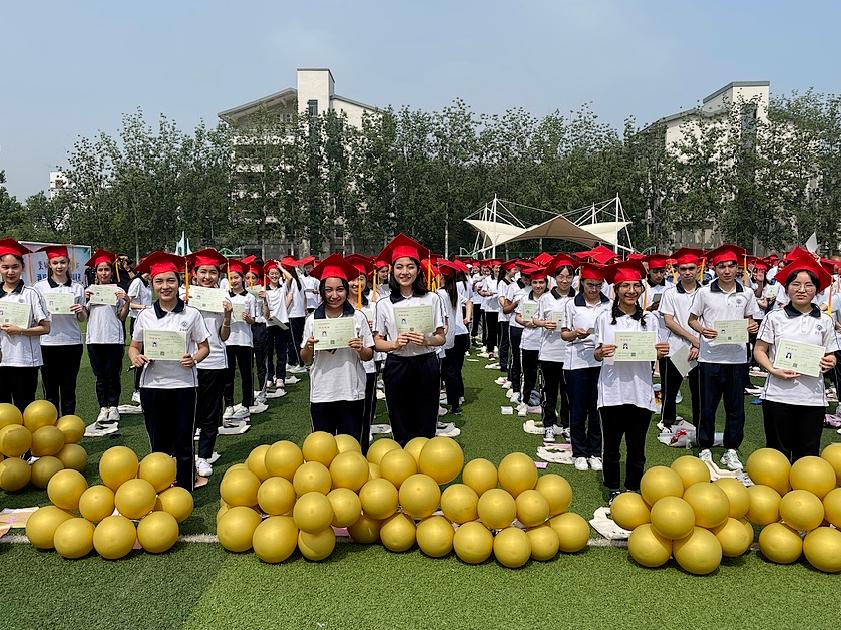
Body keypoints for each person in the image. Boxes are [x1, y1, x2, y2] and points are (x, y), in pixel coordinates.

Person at [129, 252, 210, 491]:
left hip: (184, 385)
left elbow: (204, 347)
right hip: (152, 386)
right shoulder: (144, 315)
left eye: (170, 281)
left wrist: (193, 358)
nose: (165, 287)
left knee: (184, 442)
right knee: (158, 443)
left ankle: (186, 488)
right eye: (159, 281)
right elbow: (134, 347)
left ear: (179, 282)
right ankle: (160, 488)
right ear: (152, 284)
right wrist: (137, 357)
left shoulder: (192, 314)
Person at [594, 260, 670, 502]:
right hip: (612, 389)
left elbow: (653, 354)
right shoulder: (603, 317)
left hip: (640, 389)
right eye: (625, 286)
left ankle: (633, 488)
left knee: (637, 446)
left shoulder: (650, 319)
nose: (631, 291)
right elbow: (596, 353)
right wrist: (600, 352)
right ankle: (613, 487)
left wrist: (661, 351)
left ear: (641, 289)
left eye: (636, 286)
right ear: (616, 289)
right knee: (612, 446)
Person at [753, 255, 838, 461]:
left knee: (807, 455)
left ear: (816, 289)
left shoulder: (825, 321)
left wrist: (830, 362)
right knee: (777, 455)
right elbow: (759, 350)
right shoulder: (774, 317)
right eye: (796, 284)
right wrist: (773, 369)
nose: (802, 290)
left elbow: (831, 355)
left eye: (809, 285)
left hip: (812, 398)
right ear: (787, 287)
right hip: (778, 396)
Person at [688, 244, 760, 470]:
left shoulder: (746, 293)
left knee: (735, 407)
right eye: (721, 266)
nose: (727, 271)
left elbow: (751, 320)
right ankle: (705, 447)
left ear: (738, 268)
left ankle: (731, 449)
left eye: (731, 266)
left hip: (737, 359)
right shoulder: (704, 292)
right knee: (707, 406)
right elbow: (692, 319)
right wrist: (701, 330)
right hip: (710, 358)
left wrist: (752, 327)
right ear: (714, 268)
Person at [373, 234, 446, 445]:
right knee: (400, 419)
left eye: (410, 266)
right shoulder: (384, 304)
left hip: (426, 363)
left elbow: (441, 337)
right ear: (392, 271)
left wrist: (427, 340)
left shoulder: (433, 299)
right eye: (399, 267)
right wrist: (394, 344)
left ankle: (426, 467)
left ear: (418, 269)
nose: (405, 272)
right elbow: (378, 341)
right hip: (397, 364)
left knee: (426, 419)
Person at [301, 255, 375, 442]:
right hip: (322, 391)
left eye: (340, 289)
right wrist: (309, 347)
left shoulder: (358, 318)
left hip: (351, 390)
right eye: (329, 290)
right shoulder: (313, 320)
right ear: (322, 291)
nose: (334, 295)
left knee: (351, 445)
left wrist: (360, 348)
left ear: (346, 289)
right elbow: (305, 358)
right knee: (323, 447)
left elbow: (368, 355)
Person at [184, 249, 232, 479]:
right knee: (189, 411)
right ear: (194, 274)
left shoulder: (223, 297)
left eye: (213, 272)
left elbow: (223, 337)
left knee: (211, 413)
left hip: (214, 361)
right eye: (203, 271)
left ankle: (204, 455)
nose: (207, 276)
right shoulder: (185, 296)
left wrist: (228, 315)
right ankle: (186, 455)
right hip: (188, 361)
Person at [561, 263, 611, 471]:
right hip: (577, 361)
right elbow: (564, 334)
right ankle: (579, 451)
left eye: (598, 286)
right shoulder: (572, 305)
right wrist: (575, 334)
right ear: (582, 284)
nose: (594, 290)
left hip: (601, 361)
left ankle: (595, 451)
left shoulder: (609, 305)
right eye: (590, 285)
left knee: (597, 408)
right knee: (578, 408)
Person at [34, 245, 87, 415]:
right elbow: (35, 316)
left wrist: (81, 310)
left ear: (68, 264)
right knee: (50, 390)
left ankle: (68, 424)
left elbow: (82, 318)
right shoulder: (39, 287)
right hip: (47, 343)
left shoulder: (77, 287)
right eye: (55, 262)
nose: (59, 266)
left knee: (68, 387)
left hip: (72, 342)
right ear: (49, 264)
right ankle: (52, 426)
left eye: (62, 262)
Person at [0, 239, 50, 411]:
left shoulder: (32, 293)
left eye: (15, 267)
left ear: (22, 267)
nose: (10, 272)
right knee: (3, 410)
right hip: (1, 361)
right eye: (5, 267)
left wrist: (20, 330)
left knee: (24, 408)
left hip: (24, 361)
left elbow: (45, 327)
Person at [658, 248, 705, 431]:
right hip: (677, 347)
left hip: (700, 348)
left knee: (698, 391)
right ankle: (666, 421)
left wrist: (698, 343)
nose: (687, 272)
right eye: (683, 269)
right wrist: (693, 339)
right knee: (670, 389)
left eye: (691, 268)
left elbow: (708, 320)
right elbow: (669, 321)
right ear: (677, 270)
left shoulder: (706, 292)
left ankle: (700, 423)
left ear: (697, 269)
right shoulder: (670, 293)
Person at [84, 249, 130, 426]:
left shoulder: (118, 290)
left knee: (113, 374)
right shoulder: (89, 290)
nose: (104, 273)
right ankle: (103, 407)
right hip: (95, 338)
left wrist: (126, 300)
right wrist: (84, 303)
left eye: (107, 270)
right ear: (96, 272)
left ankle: (114, 406)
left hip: (113, 338)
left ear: (112, 272)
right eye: (100, 270)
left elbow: (122, 316)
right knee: (100, 375)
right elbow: (85, 315)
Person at [537, 254, 577, 441]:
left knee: (569, 393)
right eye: (561, 276)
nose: (564, 280)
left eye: (568, 276)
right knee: (549, 392)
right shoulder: (546, 298)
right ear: (554, 278)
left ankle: (567, 425)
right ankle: (548, 425)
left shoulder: (578, 298)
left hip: (571, 353)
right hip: (549, 353)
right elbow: (535, 319)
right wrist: (544, 323)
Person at [346, 254, 378, 452]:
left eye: (361, 278)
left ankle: (363, 451)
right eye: (352, 278)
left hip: (367, 364)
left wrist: (373, 329)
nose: (357, 283)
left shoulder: (373, 305)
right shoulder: (338, 307)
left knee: (366, 409)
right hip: (345, 366)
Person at [222, 257, 259, 424]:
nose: (234, 281)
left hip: (244, 339)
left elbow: (255, 320)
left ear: (243, 278)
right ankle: (228, 404)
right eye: (230, 278)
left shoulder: (249, 298)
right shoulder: (225, 297)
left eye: (236, 277)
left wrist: (249, 318)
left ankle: (246, 404)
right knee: (228, 374)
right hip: (228, 340)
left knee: (246, 373)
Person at [437, 260, 471, 415]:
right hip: (460, 333)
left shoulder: (440, 294)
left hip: (448, 336)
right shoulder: (453, 291)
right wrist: (467, 318)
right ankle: (457, 399)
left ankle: (453, 400)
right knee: (454, 370)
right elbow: (469, 302)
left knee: (447, 370)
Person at [514, 266, 548, 417]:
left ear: (546, 283)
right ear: (531, 283)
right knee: (528, 375)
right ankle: (524, 402)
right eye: (535, 282)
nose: (538, 286)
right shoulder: (524, 298)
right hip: (529, 341)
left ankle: (545, 404)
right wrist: (525, 322)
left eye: (541, 282)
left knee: (546, 377)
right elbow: (518, 316)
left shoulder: (550, 299)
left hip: (547, 343)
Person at [503, 264, 530, 405]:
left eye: (529, 279)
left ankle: (529, 390)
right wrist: (515, 304)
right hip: (516, 326)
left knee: (529, 361)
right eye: (525, 278)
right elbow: (506, 310)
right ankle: (516, 388)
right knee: (516, 357)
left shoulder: (537, 287)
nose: (527, 281)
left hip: (533, 328)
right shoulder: (513, 287)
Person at [262, 260, 291, 393]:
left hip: (282, 322)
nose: (274, 276)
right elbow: (263, 311)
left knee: (281, 352)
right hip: (269, 323)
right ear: (267, 275)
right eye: (271, 273)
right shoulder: (263, 291)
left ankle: (280, 377)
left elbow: (289, 277)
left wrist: (280, 267)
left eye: (276, 274)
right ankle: (269, 377)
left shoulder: (282, 288)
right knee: (268, 352)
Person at [127, 268, 152, 404]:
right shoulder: (137, 282)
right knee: (139, 355)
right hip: (137, 322)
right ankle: (136, 390)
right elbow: (128, 302)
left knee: (148, 355)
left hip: (148, 322)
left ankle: (144, 386)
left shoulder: (147, 283)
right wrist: (144, 307)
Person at [281, 256, 308, 374]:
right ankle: (292, 361)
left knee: (294, 340)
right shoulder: (299, 280)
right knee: (294, 340)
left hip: (293, 314)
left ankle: (300, 363)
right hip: (300, 313)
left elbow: (290, 297)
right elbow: (305, 297)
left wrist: (281, 310)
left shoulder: (291, 281)